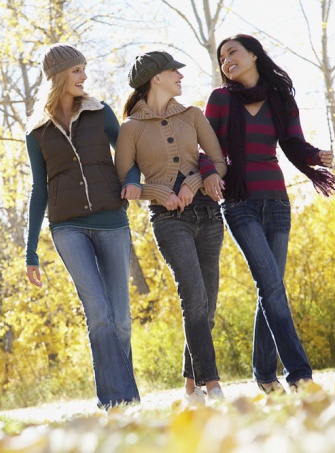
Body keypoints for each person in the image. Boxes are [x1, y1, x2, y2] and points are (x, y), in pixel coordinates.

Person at [203, 34, 335, 394]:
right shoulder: (219, 99)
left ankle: (264, 375)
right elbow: (204, 148)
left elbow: (293, 142)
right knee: (272, 287)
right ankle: (300, 375)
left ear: (253, 55)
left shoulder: (280, 98)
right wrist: (209, 173)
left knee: (271, 289)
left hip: (276, 201)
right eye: (221, 57)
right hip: (238, 201)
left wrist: (315, 156)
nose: (226, 60)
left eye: (233, 52)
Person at [24, 43, 140, 409]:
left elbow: (126, 152)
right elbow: (38, 189)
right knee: (99, 315)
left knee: (120, 319)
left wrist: (132, 178)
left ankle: (127, 399)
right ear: (58, 75)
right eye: (76, 71)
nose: (84, 76)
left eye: (84, 69)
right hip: (67, 228)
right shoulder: (38, 130)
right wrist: (30, 251)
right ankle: (116, 402)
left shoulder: (99, 111)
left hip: (111, 221)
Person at [115, 50, 228, 405]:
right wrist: (158, 191)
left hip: (208, 214)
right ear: (156, 79)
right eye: (173, 71)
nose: (180, 75)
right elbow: (125, 184)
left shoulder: (193, 115)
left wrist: (193, 184)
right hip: (168, 221)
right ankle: (213, 386)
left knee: (206, 306)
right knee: (193, 297)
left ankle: (190, 387)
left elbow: (220, 163)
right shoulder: (130, 129)